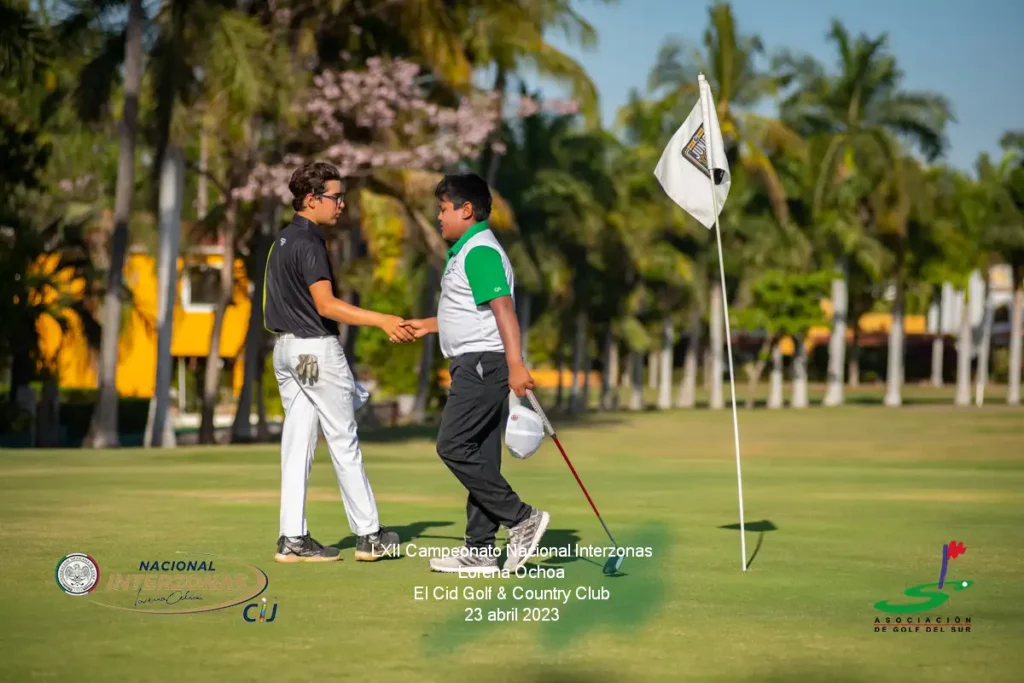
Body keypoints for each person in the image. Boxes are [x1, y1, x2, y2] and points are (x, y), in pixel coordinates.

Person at [263, 161, 411, 563]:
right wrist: (382, 320)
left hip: (286, 351)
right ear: (312, 200)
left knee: (297, 444)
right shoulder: (310, 243)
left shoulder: (281, 240)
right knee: (343, 439)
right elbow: (326, 305)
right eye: (336, 196)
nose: (342, 204)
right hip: (314, 351)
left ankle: (292, 538)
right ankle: (370, 535)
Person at [402, 173, 549, 575]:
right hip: (477, 361)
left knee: (452, 445)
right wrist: (428, 325)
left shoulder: (480, 251)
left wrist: (516, 364)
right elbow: (471, 312)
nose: (438, 216)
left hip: (483, 363)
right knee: (480, 453)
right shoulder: (468, 250)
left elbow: (503, 311)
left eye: (443, 209)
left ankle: (522, 518)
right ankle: (480, 549)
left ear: (466, 210)